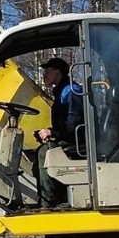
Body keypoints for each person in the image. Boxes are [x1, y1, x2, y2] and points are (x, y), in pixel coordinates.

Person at [33, 56, 84, 207]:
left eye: (47, 71)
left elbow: (73, 121)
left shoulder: (72, 91)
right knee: (39, 151)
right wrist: (51, 133)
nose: (44, 75)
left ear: (57, 72)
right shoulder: (62, 91)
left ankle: (49, 200)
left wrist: (54, 133)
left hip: (78, 140)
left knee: (44, 153)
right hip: (70, 137)